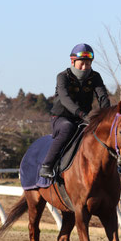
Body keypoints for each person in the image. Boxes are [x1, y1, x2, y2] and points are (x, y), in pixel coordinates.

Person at [39, 43, 110, 179]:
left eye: (88, 64)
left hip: (84, 118)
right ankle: (47, 165)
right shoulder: (62, 77)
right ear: (73, 61)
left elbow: (103, 97)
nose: (85, 67)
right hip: (61, 118)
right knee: (68, 127)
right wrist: (82, 114)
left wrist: (106, 115)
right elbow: (65, 99)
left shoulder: (95, 77)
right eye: (81, 64)